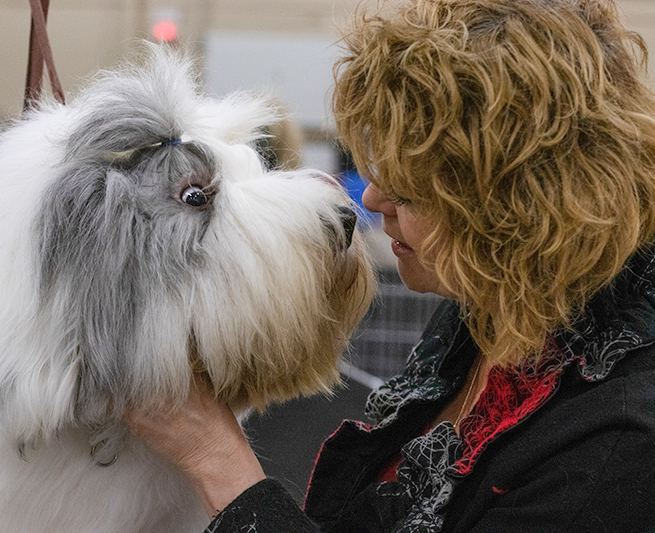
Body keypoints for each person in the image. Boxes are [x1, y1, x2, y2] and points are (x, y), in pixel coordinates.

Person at [124, 0, 655, 530]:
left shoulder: (618, 452)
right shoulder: (493, 308)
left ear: (517, 205)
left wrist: (214, 457)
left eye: (413, 189)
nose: (373, 200)